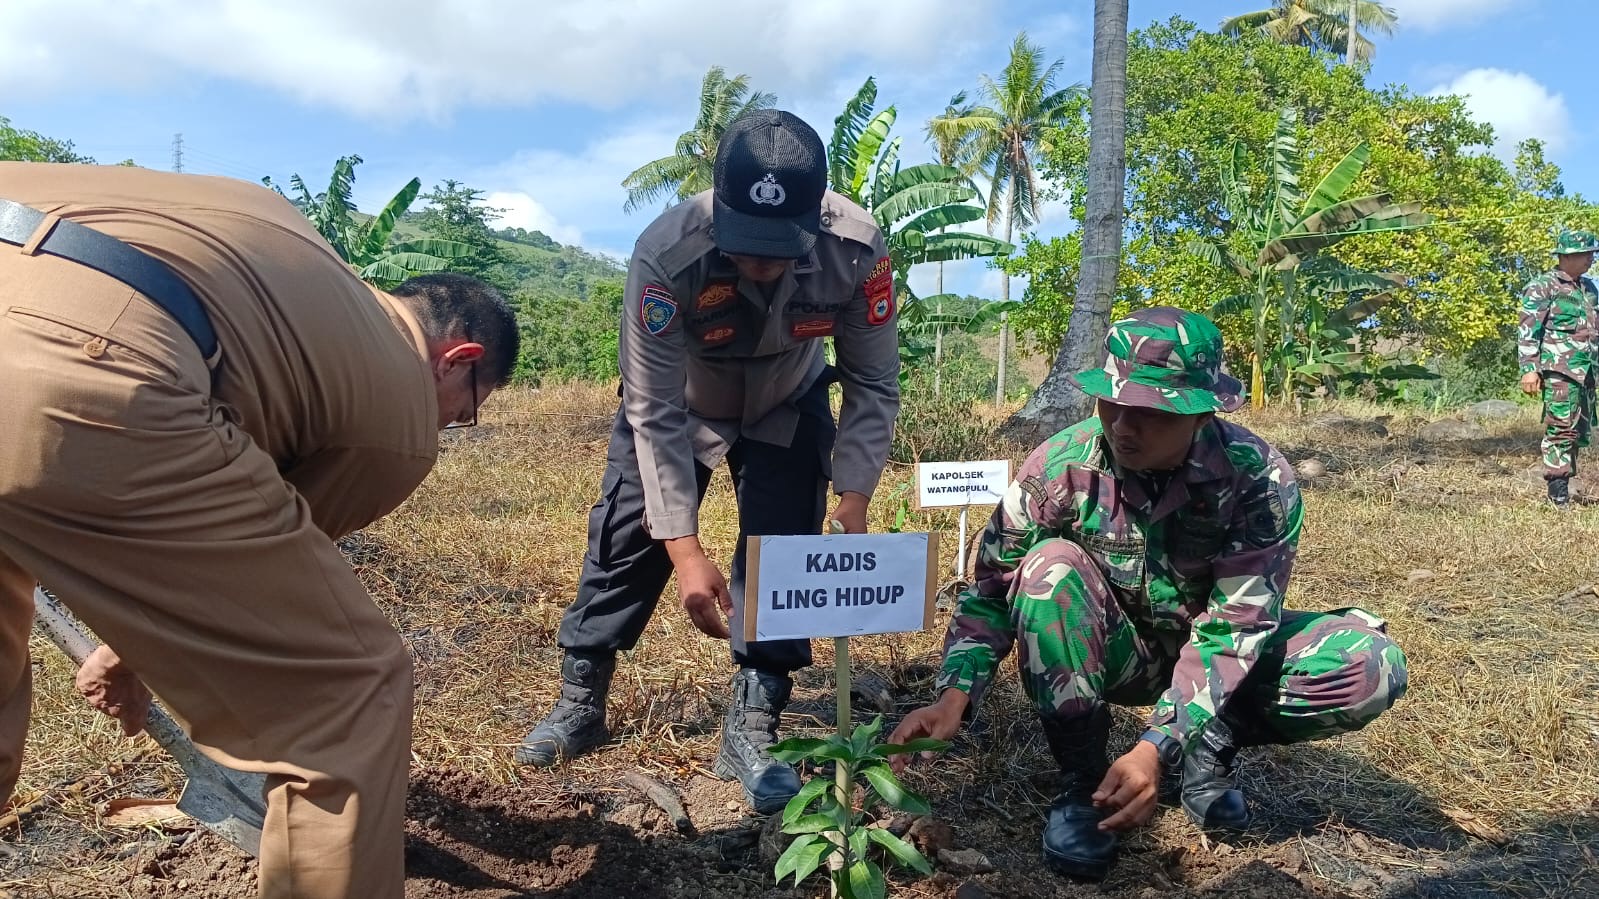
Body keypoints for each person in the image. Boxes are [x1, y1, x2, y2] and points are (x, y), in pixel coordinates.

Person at [0, 162, 520, 899]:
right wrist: (128, 659)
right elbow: (238, 587)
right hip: (77, 380)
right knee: (347, 698)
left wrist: (127, 653)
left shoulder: (266, 227)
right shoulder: (400, 416)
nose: (449, 426)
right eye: (464, 412)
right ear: (456, 360)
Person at [889, 307, 1408, 879]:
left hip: (1215, 657)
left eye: (1150, 412)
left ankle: (1209, 742)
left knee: (1368, 664)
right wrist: (954, 695)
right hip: (1116, 652)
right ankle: (1086, 782)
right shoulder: (1060, 468)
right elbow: (991, 591)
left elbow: (1235, 627)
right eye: (1110, 403)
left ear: (1202, 412)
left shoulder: (1257, 480)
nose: (1122, 426)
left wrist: (1159, 744)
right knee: (1047, 569)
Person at [514, 110, 899, 814]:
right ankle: (581, 698)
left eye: (780, 249)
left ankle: (754, 717)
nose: (761, 265)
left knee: (782, 552)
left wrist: (853, 493)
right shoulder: (666, 253)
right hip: (684, 404)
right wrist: (686, 549)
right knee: (627, 533)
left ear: (815, 216)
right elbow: (653, 408)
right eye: (746, 245)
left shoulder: (857, 248)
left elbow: (872, 381)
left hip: (787, 396)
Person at [1517, 228, 1599, 507]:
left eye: (1592, 253)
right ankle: (1558, 495)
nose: (1591, 259)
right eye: (1586, 254)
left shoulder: (1589, 289)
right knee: (1561, 428)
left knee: (1579, 431)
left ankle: (1565, 485)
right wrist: (1529, 368)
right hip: (1560, 371)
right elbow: (1528, 330)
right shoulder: (1543, 286)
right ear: (1567, 256)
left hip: (1587, 373)